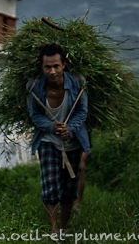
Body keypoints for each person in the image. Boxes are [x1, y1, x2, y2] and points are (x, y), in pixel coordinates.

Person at [28, 43, 90, 234]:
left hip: (73, 142)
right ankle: (54, 231)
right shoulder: (34, 88)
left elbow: (82, 111)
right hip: (48, 141)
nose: (52, 71)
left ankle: (63, 229)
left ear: (63, 65)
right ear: (42, 67)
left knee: (68, 192)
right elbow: (35, 115)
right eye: (48, 67)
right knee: (50, 189)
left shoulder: (77, 84)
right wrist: (52, 127)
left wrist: (69, 129)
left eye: (56, 66)